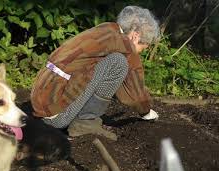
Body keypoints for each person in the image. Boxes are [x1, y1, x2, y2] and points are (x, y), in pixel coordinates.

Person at [30, 6, 160, 139]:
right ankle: (86, 123)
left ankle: (77, 119)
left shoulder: (106, 30)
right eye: (141, 49)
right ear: (135, 36)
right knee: (118, 62)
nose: (138, 53)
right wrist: (146, 111)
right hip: (55, 116)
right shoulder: (125, 44)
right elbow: (135, 88)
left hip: (41, 102)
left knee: (106, 64)